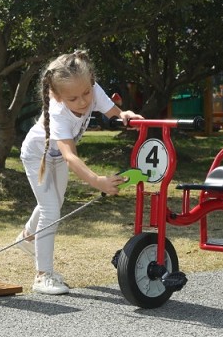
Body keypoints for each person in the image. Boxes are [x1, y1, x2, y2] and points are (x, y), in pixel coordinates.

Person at [16, 51, 143, 295]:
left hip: (55, 157)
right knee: (51, 209)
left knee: (54, 203)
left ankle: (27, 237)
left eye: (86, 93)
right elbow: (70, 156)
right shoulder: (58, 113)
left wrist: (123, 115)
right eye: (73, 98)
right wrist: (98, 181)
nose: (83, 102)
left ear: (91, 81)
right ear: (56, 95)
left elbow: (112, 111)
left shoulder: (91, 88)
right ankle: (43, 276)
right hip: (37, 156)